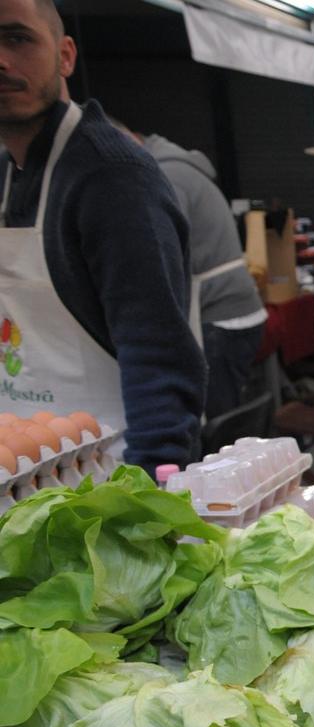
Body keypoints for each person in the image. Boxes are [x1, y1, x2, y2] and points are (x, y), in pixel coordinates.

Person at [0, 0, 203, 469]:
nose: (3, 59)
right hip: (27, 482)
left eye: (18, 38)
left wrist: (151, 499)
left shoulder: (113, 178)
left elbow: (158, 355)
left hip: (108, 480)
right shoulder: (10, 173)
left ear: (65, 55)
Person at [128, 130, 266, 419]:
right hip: (233, 311)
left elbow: (165, 253)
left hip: (220, 315)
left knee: (216, 423)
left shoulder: (167, 176)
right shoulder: (177, 168)